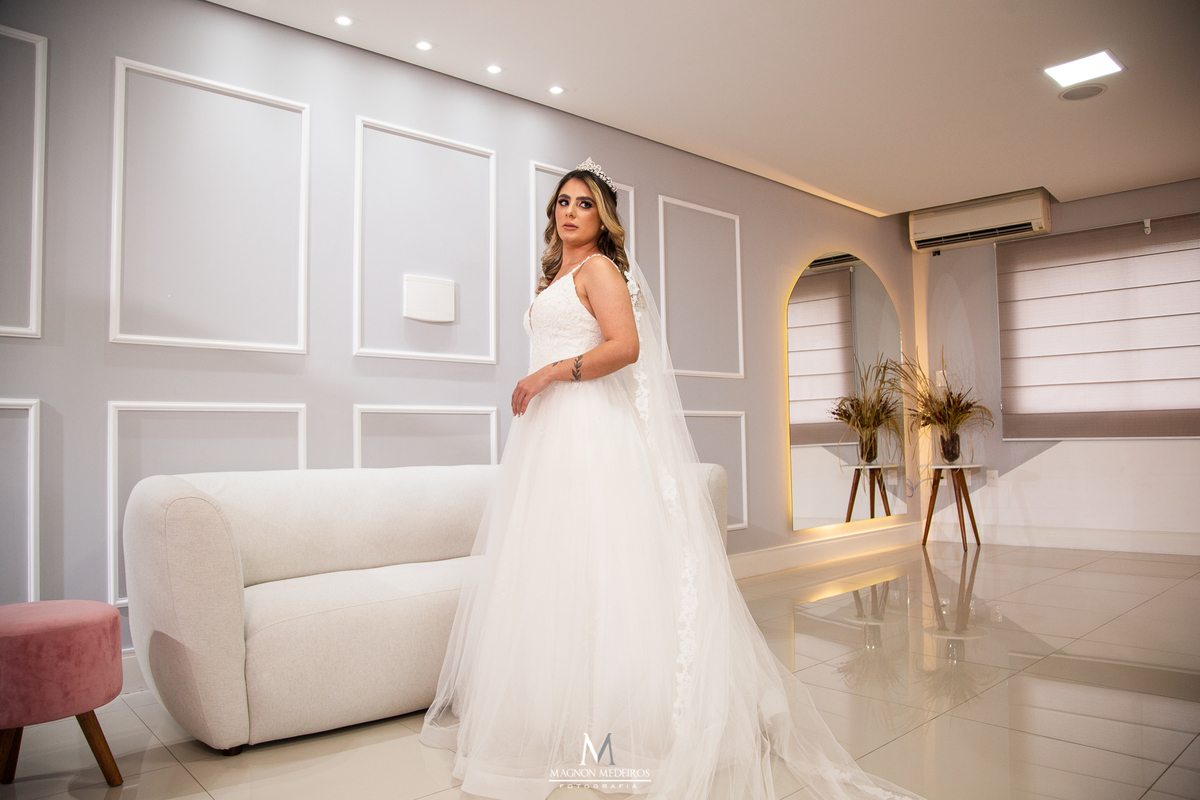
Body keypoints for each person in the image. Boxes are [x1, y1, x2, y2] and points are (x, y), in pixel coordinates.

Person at [420, 159, 921, 800]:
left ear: (604, 217)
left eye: (585, 203)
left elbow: (625, 347)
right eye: (563, 202)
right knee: (553, 566)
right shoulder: (557, 276)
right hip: (547, 436)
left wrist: (545, 374)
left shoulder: (600, 270)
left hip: (587, 428)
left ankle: (613, 731)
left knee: (602, 567)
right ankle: (555, 718)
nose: (571, 212)